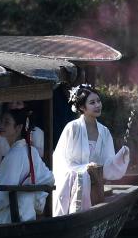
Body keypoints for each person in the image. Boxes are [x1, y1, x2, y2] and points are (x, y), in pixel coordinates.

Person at [52, 84, 130, 216]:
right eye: (92, 103)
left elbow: (107, 164)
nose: (97, 105)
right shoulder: (73, 128)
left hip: (95, 187)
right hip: (73, 185)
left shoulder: (104, 132)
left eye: (98, 101)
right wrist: (84, 169)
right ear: (82, 107)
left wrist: (120, 157)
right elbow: (62, 161)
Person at [0, 100, 45, 170]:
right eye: (10, 102)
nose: (13, 106)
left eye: (18, 103)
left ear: (18, 127)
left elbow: (44, 164)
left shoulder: (37, 134)